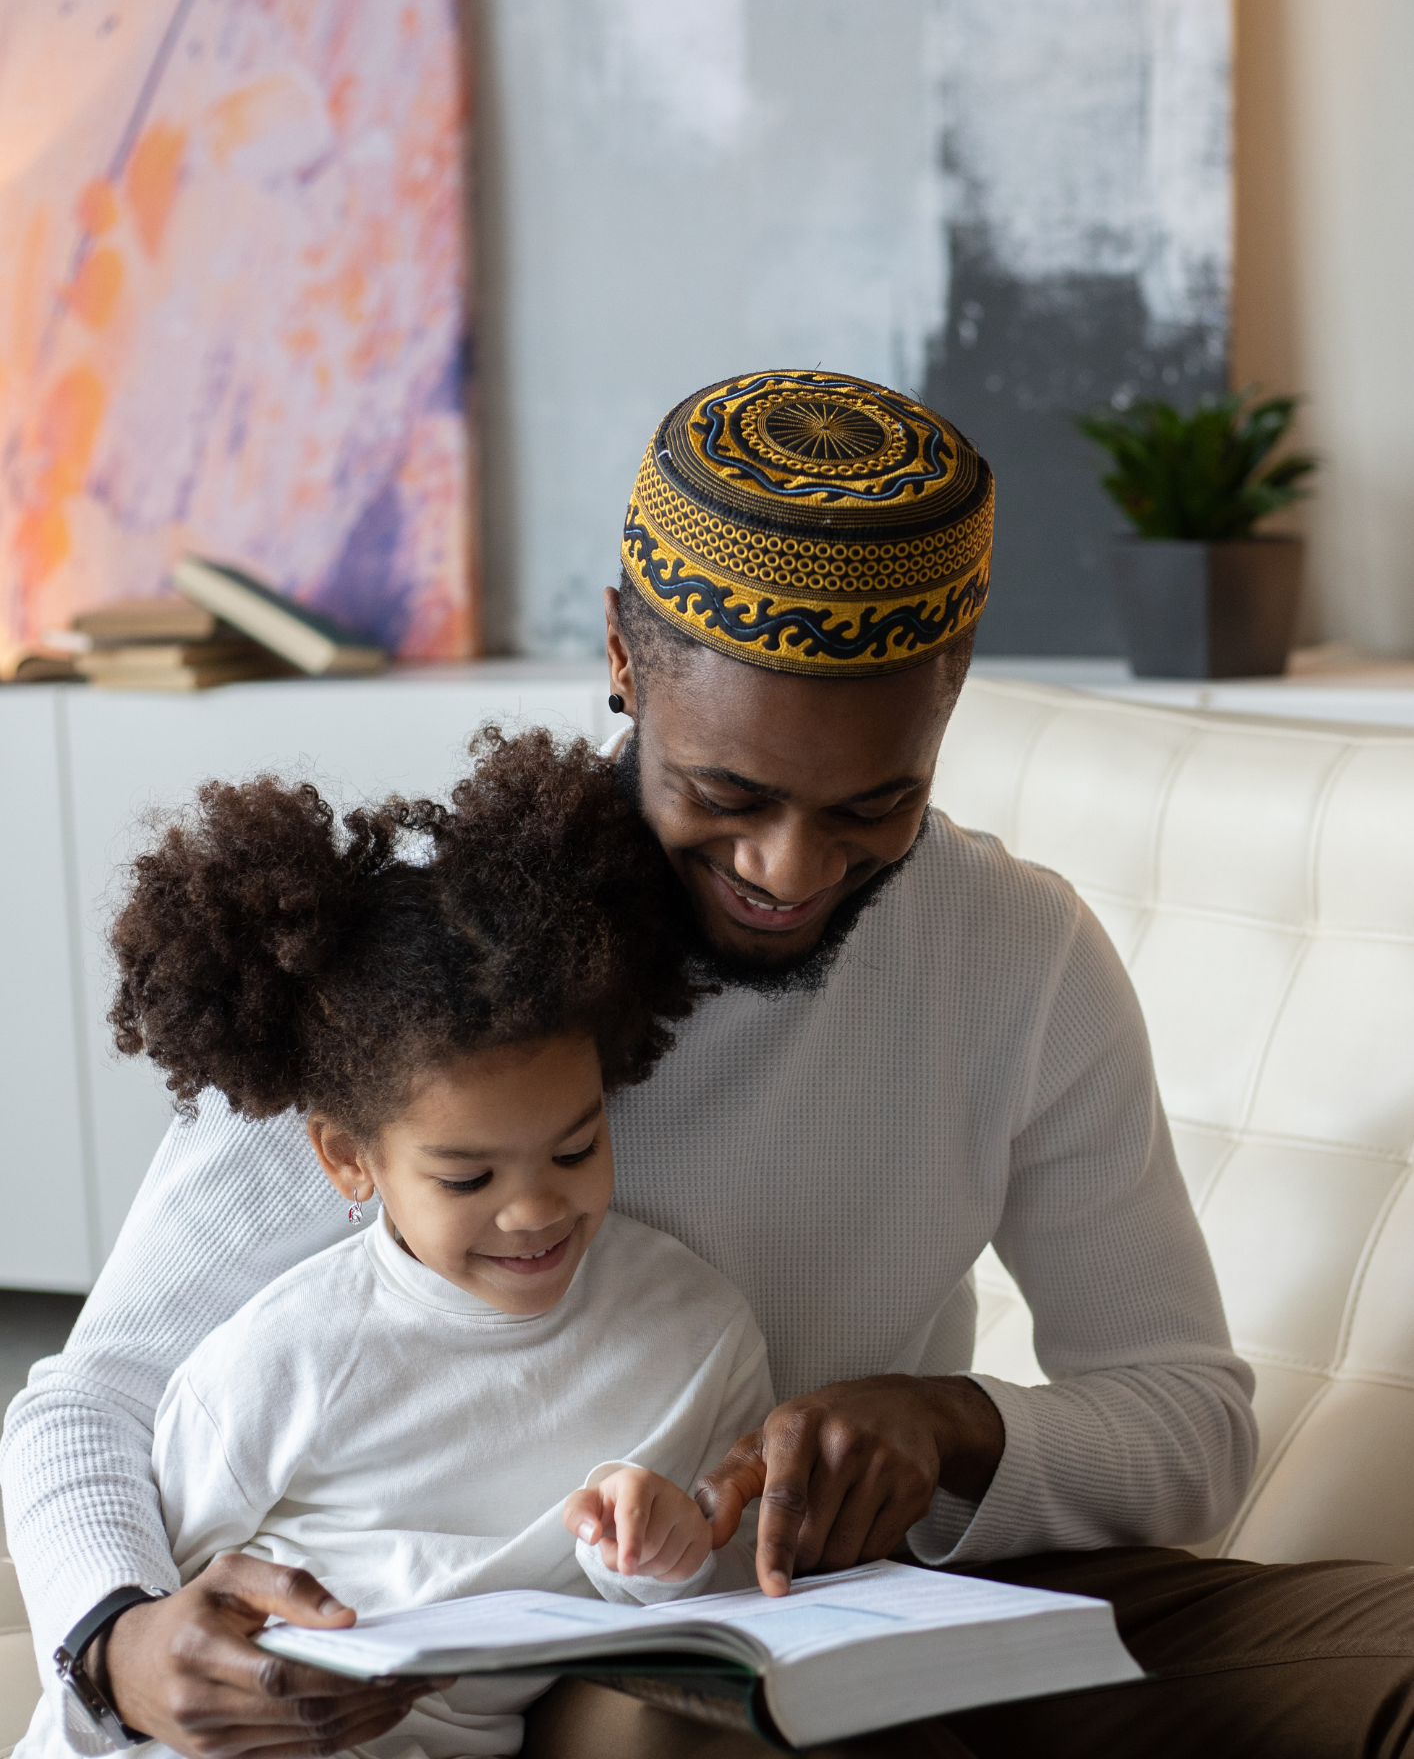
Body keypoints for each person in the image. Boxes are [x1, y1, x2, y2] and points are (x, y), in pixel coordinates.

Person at [5, 370, 1413, 1759]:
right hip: (547, 1655)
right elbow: (96, 1395)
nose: (789, 872)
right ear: (623, 655)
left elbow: (1188, 1431)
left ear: (952, 682)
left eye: (876, 805)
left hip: (878, 1605)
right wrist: (115, 1638)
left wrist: (946, 1427)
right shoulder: (423, 963)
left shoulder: (1014, 954)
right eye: (724, 796)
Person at [11, 728, 773, 1759]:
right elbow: (167, 1627)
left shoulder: (694, 1331)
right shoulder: (287, 1353)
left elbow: (723, 1619)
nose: (535, 1209)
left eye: (576, 1145)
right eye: (467, 1176)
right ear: (346, 1160)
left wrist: (665, 1547)